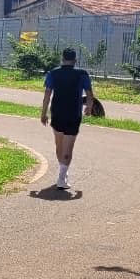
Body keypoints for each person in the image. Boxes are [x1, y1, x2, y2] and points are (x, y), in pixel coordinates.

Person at [40, 47, 96, 190]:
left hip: (57, 113)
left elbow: (47, 95)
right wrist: (89, 108)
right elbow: (90, 94)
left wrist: (44, 113)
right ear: (75, 60)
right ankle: (62, 176)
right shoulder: (82, 74)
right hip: (73, 114)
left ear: (62, 58)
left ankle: (62, 173)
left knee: (59, 144)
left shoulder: (53, 73)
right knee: (68, 146)